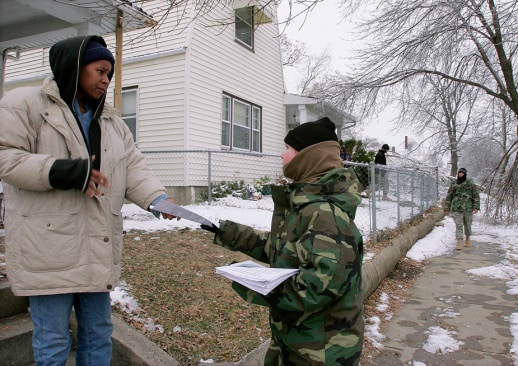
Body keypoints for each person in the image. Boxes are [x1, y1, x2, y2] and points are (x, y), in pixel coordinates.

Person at [0, 35, 178, 366]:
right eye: (99, 71)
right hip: (48, 249)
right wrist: (68, 172)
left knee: (98, 333)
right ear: (75, 68)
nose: (106, 80)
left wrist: (157, 198)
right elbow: (5, 158)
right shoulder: (26, 104)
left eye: (109, 74)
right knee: (52, 339)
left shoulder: (111, 121)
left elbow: (133, 166)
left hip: (95, 244)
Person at [203, 117, 364, 365]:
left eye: (288, 149)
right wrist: (224, 230)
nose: (281, 154)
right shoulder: (306, 204)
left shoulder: (324, 214)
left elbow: (315, 289)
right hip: (295, 343)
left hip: (320, 353)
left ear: (308, 157)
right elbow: (278, 248)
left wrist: (256, 284)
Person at [444, 167, 480, 250]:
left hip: (468, 207)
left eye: (462, 173)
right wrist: (447, 208)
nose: (460, 174)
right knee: (459, 225)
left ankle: (467, 239)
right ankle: (459, 242)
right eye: (459, 173)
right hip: (457, 207)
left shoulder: (470, 183)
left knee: (468, 224)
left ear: (465, 174)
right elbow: (449, 196)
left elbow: (476, 195)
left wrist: (476, 207)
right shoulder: (454, 184)